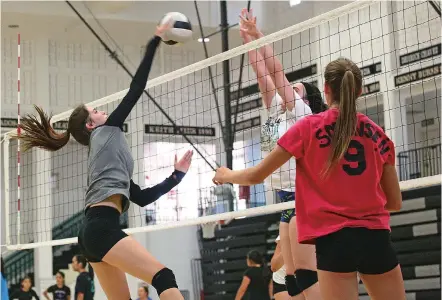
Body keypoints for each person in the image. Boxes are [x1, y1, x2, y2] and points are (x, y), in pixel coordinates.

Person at [15, 20, 192, 300]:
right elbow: (136, 89)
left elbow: (142, 198)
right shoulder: (105, 133)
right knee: (164, 277)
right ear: (90, 125)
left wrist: (176, 177)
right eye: (96, 111)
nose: (102, 111)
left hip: (93, 232)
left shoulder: (108, 152)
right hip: (101, 227)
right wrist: (155, 41)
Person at [213, 57, 405, 300]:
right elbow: (395, 202)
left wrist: (226, 174)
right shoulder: (379, 135)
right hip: (375, 237)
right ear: (359, 90)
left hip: (334, 241)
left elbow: (257, 174)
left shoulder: (308, 127)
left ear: (325, 90)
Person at [239, 8, 326, 300]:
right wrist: (248, 41)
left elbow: (276, 72)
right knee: (290, 278)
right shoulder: (274, 110)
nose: (288, 90)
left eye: (295, 88)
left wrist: (260, 36)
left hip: (301, 196)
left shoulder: (300, 113)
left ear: (305, 100)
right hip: (283, 199)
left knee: (304, 274)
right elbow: (261, 74)